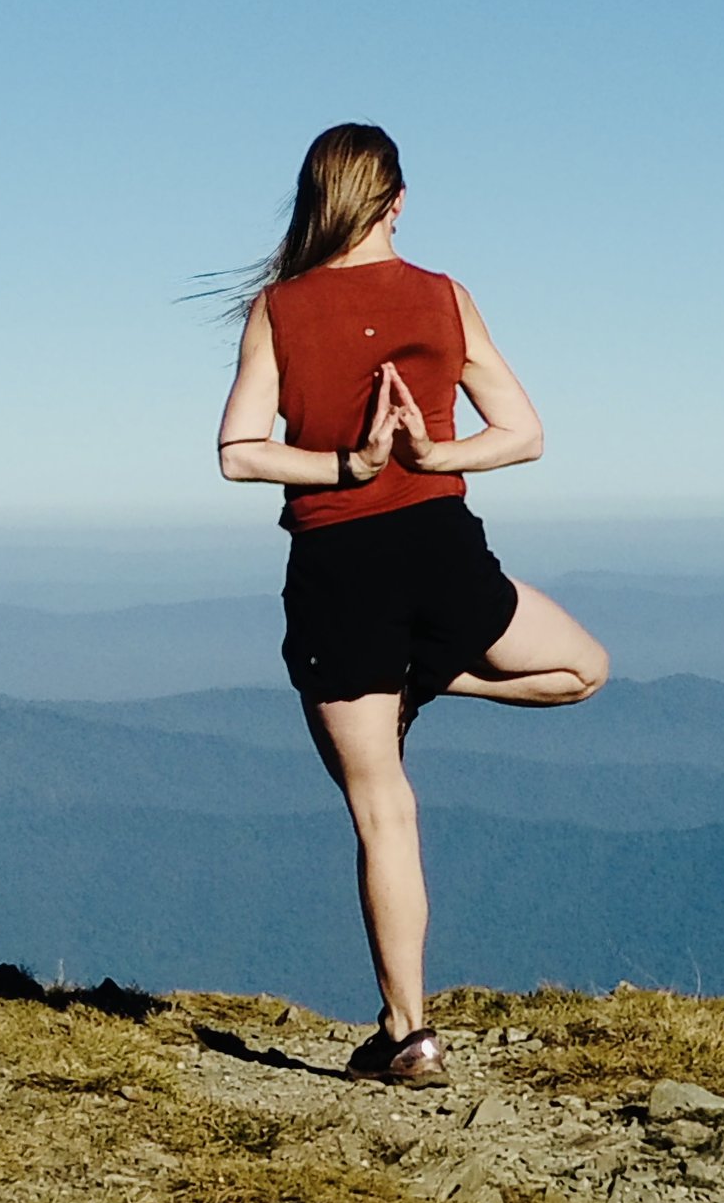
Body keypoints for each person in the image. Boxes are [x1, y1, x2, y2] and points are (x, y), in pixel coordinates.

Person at [211, 123, 609, 1085]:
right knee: (584, 670)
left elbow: (238, 453)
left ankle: (409, 1034)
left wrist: (345, 465)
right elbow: (524, 434)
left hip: (337, 569)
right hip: (442, 555)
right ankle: (433, 674)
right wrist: (436, 456)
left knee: (382, 810)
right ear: (397, 200)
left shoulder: (279, 309)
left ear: (319, 199)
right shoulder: (444, 297)